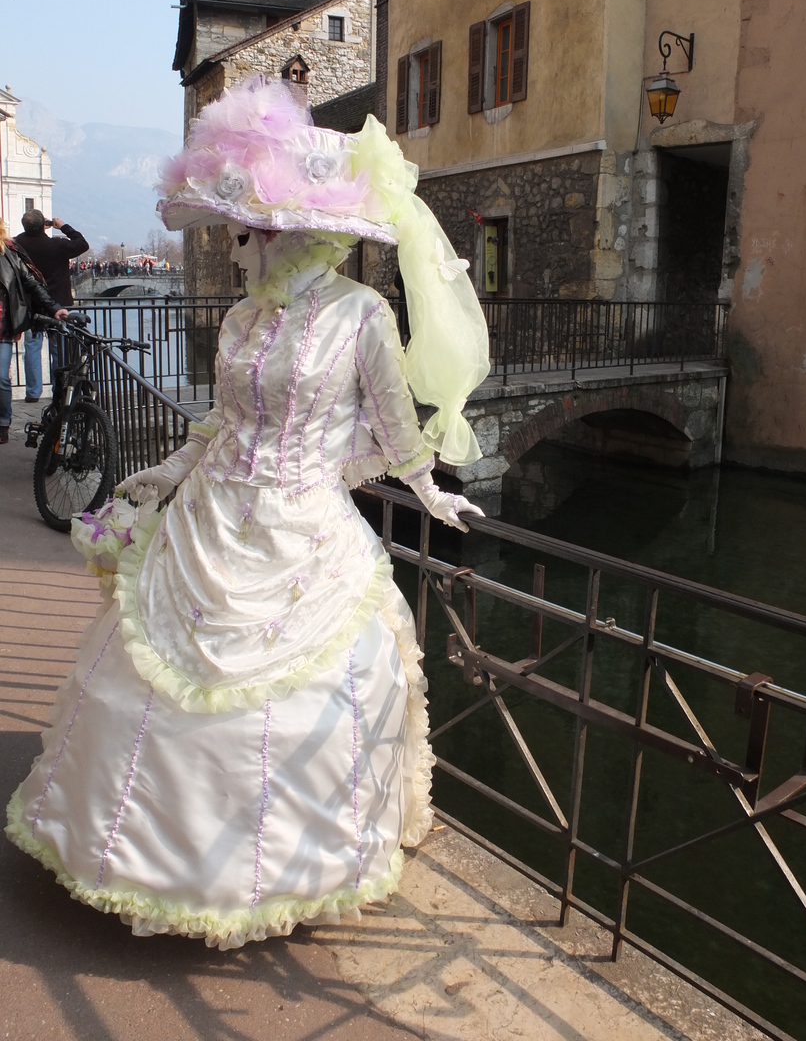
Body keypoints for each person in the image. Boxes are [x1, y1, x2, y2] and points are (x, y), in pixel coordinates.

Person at [5, 77, 490, 949]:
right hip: (209, 523)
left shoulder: (363, 317)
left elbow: (392, 431)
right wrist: (159, 472)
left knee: (308, 703)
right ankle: (151, 861)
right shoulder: (236, 322)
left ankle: (292, 870)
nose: (232, 254)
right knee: (145, 687)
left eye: (244, 236)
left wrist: (419, 488)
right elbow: (223, 425)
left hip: (305, 540)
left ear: (290, 238)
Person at [0, 220, 69, 444]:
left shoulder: (10, 253)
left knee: (1, 377)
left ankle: (3, 423)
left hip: (2, 327)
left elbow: (30, 282)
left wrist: (54, 308)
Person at [15, 211, 89, 395]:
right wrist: (63, 226)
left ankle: (33, 392)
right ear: (44, 226)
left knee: (32, 347)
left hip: (32, 304)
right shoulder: (56, 245)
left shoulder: (17, 245)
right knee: (60, 350)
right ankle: (60, 389)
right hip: (60, 304)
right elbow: (82, 243)